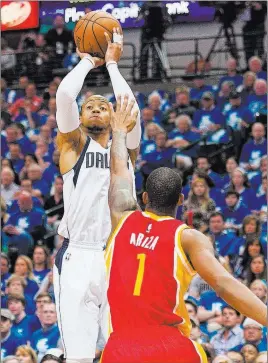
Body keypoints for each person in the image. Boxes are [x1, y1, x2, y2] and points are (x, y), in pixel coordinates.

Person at [100, 95, 266, 363]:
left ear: (143, 198)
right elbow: (223, 284)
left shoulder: (122, 218)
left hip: (121, 347)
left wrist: (118, 131)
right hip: (170, 346)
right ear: (180, 199)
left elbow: (118, 172)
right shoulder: (188, 237)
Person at [53, 29, 140, 363]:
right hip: (77, 254)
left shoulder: (125, 150)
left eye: (103, 106)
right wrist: (89, 61)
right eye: (88, 105)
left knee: (124, 349)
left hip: (117, 254)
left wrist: (114, 67)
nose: (95, 109)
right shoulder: (73, 146)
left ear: (112, 116)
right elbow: (64, 97)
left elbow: (129, 107)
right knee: (78, 355)